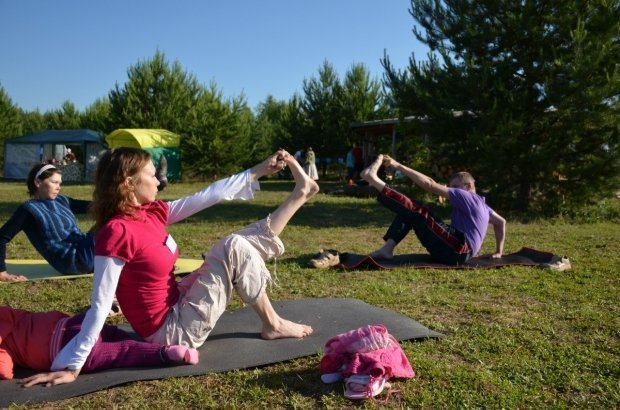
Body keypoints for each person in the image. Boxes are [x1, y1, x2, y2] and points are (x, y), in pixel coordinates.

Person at [20, 147, 317, 387]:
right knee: (234, 247)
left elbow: (207, 195)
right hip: (170, 332)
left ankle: (298, 196)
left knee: (237, 244)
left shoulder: (149, 213)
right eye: (151, 175)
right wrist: (75, 364)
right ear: (129, 183)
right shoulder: (116, 231)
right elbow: (99, 305)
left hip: (178, 304)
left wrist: (258, 170)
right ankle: (273, 324)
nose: (159, 181)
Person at [361, 154, 506, 265]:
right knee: (412, 212)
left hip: (458, 248)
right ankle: (388, 248)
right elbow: (501, 222)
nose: (451, 191)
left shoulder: (468, 196)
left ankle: (375, 180)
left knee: (418, 210)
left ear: (467, 186)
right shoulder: (484, 206)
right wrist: (499, 252)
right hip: (453, 251)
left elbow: (430, 184)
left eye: (455, 187)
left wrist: (398, 165)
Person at [0, 305, 198, 381]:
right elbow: (23, 315)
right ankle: (153, 345)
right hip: (75, 323)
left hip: (64, 349)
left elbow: (5, 371)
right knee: (112, 334)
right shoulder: (5, 312)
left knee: (121, 353)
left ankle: (166, 353)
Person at [0, 164, 95, 282]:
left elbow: (94, 207)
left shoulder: (61, 200)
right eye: (54, 182)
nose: (58, 187)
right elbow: (2, 237)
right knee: (113, 223)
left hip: (87, 253)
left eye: (60, 183)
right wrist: (2, 273)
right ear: (38, 182)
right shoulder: (29, 210)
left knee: (112, 215)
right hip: (73, 261)